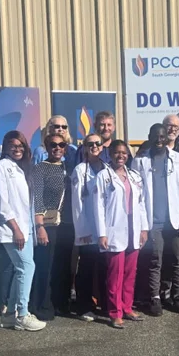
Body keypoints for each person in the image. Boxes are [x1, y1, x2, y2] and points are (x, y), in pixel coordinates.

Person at [133, 123, 179, 316]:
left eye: (162, 136)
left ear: (166, 137)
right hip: (154, 221)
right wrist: (143, 222)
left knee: (177, 259)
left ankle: (176, 296)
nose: (159, 140)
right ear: (150, 137)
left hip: (175, 220)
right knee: (155, 260)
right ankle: (155, 298)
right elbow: (137, 194)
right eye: (156, 137)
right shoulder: (140, 161)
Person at [0, 131, 47, 332]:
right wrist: (15, 229)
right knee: (26, 267)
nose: (17, 149)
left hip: (26, 228)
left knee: (21, 269)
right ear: (5, 147)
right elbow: (1, 202)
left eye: (21, 146)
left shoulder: (23, 168)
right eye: (13, 146)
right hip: (12, 229)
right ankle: (22, 314)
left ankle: (9, 315)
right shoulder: (1, 167)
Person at [94, 140, 148, 329]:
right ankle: (114, 312)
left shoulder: (134, 176)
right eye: (117, 153)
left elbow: (141, 204)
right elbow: (98, 207)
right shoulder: (103, 176)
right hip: (114, 230)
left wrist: (144, 228)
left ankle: (127, 307)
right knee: (114, 275)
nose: (121, 156)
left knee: (130, 273)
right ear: (110, 154)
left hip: (133, 229)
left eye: (124, 153)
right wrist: (102, 233)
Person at [30, 133, 69, 321]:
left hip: (67, 226)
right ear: (46, 146)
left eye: (62, 145)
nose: (58, 148)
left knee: (62, 266)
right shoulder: (40, 169)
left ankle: (60, 303)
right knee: (46, 266)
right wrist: (40, 226)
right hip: (48, 225)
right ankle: (41, 305)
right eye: (53, 145)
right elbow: (36, 197)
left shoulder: (67, 167)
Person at [70, 133, 107, 322]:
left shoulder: (107, 168)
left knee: (101, 268)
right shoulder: (79, 170)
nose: (94, 146)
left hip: (104, 230)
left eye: (97, 144)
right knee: (85, 268)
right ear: (84, 147)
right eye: (89, 144)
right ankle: (83, 307)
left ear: (102, 147)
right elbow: (77, 204)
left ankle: (100, 303)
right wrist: (82, 231)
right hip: (87, 230)